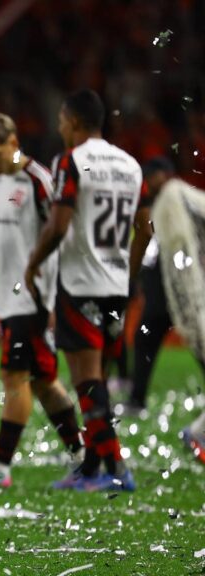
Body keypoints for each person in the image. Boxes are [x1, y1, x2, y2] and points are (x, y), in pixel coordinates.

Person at [25, 89, 152, 492]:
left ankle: (116, 467)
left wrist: (33, 263)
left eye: (62, 120)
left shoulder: (70, 161)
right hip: (116, 286)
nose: (60, 127)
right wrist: (127, 276)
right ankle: (94, 468)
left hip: (80, 285)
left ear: (75, 121)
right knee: (99, 377)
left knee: (87, 380)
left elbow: (59, 225)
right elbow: (145, 230)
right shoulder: (131, 165)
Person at [0, 113, 83, 487]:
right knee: (44, 381)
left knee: (15, 375)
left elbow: (63, 238)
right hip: (10, 300)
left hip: (36, 298)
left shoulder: (40, 181)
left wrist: (59, 296)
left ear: (14, 141)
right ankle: (82, 456)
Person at [136, 161, 205, 465]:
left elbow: (177, 247)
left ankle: (196, 431)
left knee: (145, 340)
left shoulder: (168, 199)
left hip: (186, 294)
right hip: (187, 294)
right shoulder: (184, 196)